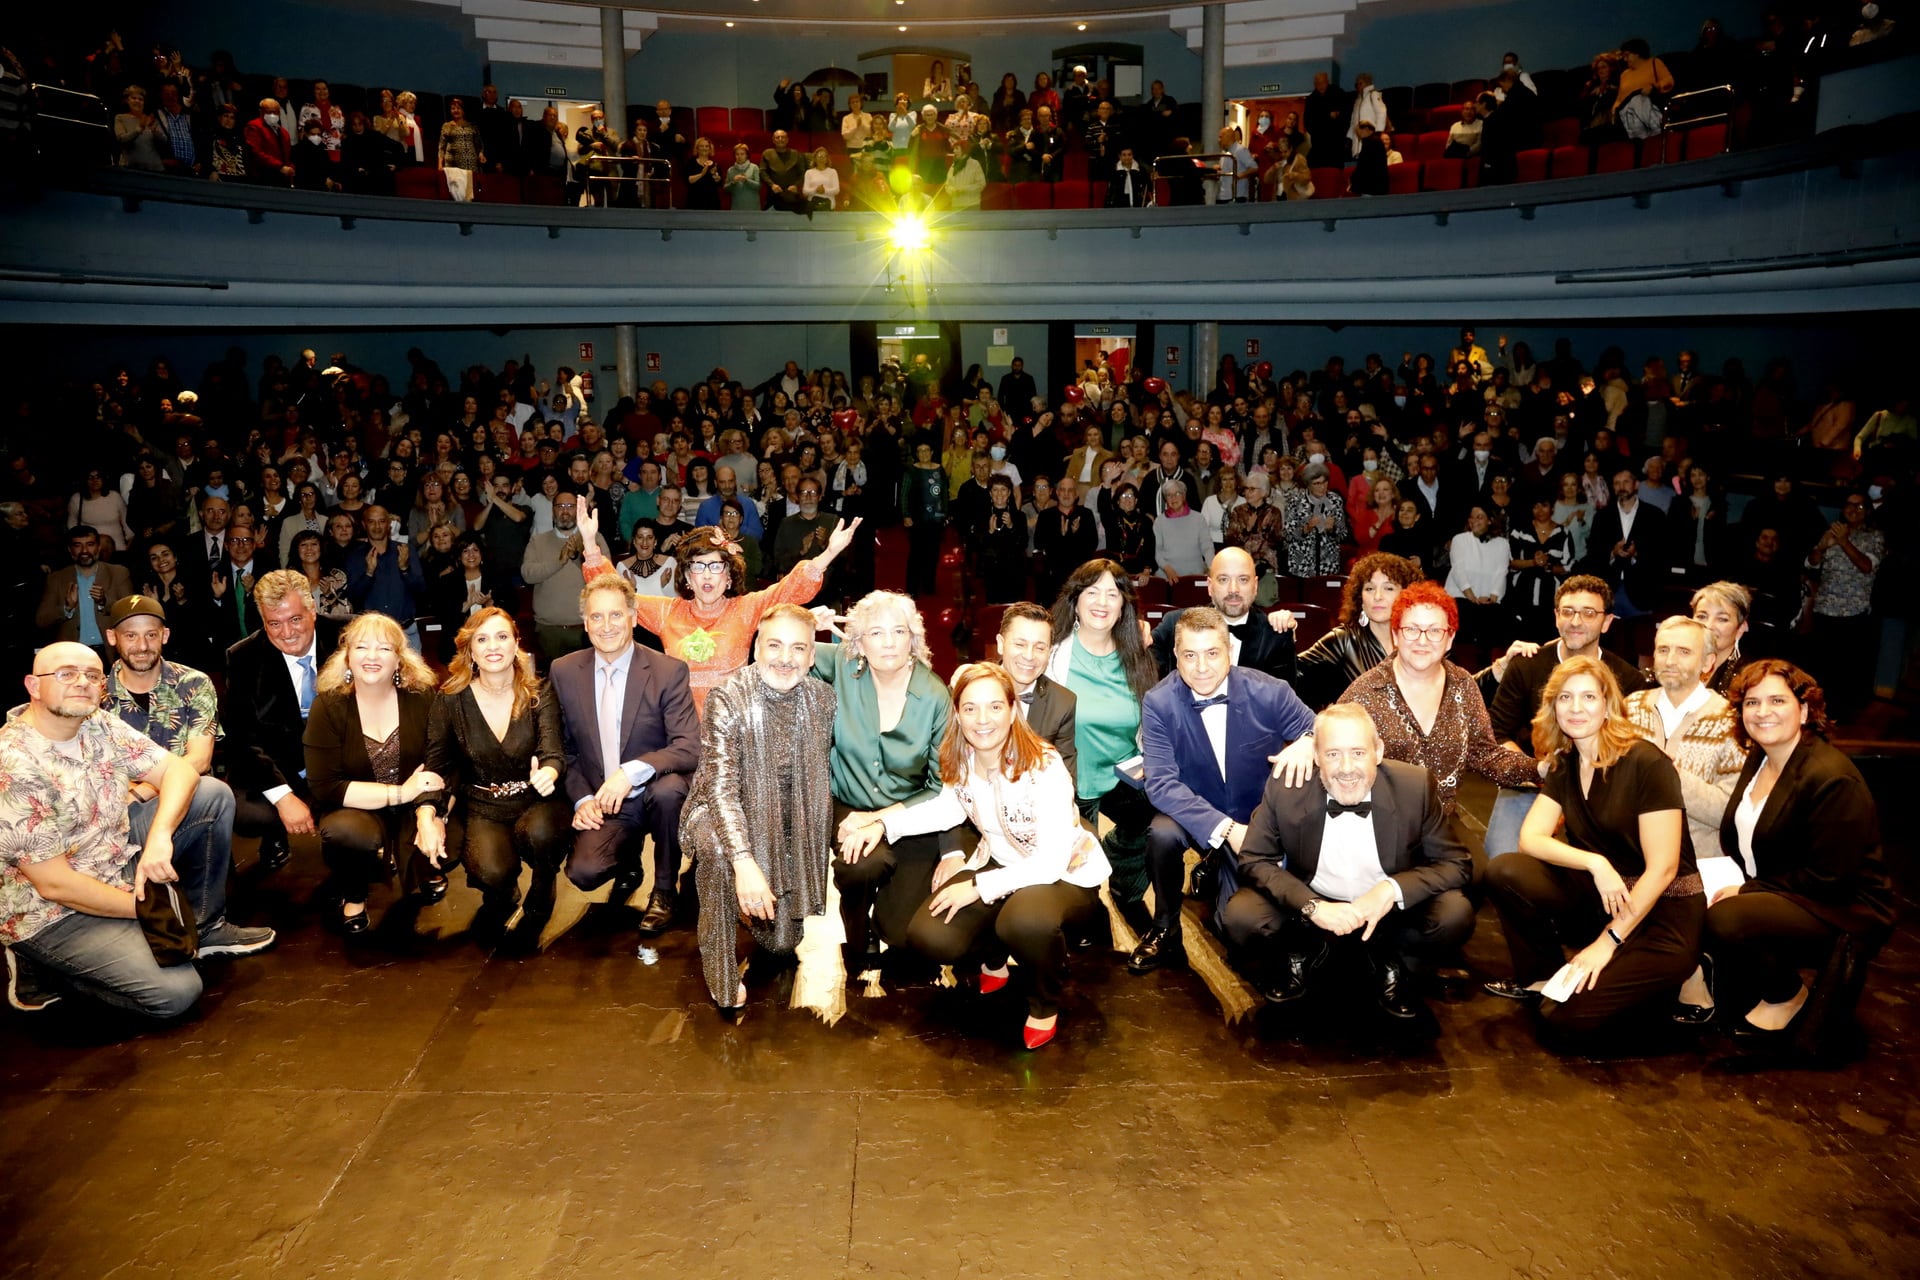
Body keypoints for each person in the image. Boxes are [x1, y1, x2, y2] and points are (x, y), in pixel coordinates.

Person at [842, 663, 1109, 1050]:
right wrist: (884, 826)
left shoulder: (1044, 765)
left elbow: (1049, 861)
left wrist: (979, 886)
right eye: (970, 708)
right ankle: (994, 953)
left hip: (1063, 873)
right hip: (1000, 861)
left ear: (1013, 710)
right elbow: (947, 810)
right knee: (929, 934)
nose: (982, 720)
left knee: (1025, 921)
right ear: (957, 713)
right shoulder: (963, 756)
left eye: (994, 707)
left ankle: (1043, 1001)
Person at [0, 643, 265, 1020]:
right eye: (65, 674)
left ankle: (204, 929)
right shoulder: (13, 763)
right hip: (51, 911)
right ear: (33, 685)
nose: (82, 683)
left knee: (211, 795)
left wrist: (159, 837)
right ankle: (41, 963)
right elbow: (54, 885)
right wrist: (151, 911)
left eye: (92, 675)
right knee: (177, 993)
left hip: (113, 857)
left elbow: (181, 770)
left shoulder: (96, 723)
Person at [1483, 656, 1705, 1043]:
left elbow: (1664, 869)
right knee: (1505, 870)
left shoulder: (1646, 762)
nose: (1576, 708)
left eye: (1588, 697)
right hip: (1607, 898)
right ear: (1553, 707)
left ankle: (1678, 973)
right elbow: (1530, 838)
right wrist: (1594, 862)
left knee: (1564, 1020)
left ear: (1608, 705)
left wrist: (1607, 943)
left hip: (1662, 914)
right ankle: (1544, 976)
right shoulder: (1566, 762)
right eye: (1565, 698)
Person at [1226, 704, 1474, 1025]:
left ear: (1378, 752)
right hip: (1313, 908)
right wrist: (1312, 906)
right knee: (1242, 915)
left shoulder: (1415, 787)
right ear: (1316, 756)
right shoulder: (1285, 787)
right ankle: (1300, 956)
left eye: (1358, 753)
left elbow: (1457, 863)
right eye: (1333, 754)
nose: (1346, 768)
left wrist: (1391, 890)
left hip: (1389, 912)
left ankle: (1395, 963)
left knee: (1455, 913)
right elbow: (1253, 859)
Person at [1700, 660, 1895, 1052]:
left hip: (1844, 907)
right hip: (1788, 888)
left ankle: (1789, 995)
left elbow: (1831, 878)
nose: (1763, 712)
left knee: (1727, 915)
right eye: (1752, 703)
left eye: (1777, 700)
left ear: (1804, 710)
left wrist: (1747, 889)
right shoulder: (1762, 757)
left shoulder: (1830, 776)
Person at [1131, 608, 1315, 975]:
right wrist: (1226, 830)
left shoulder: (1272, 691)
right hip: (1196, 812)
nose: (1201, 667)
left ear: (1230, 648)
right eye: (1190, 655)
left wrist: (1309, 741)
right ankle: (1165, 926)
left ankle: (1218, 874)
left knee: (1238, 930)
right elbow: (1162, 784)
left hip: (1257, 820)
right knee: (1162, 832)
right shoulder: (1159, 702)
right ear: (1176, 657)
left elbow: (1321, 731)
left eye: (1212, 653)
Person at [686, 604, 843, 1021]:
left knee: (780, 946)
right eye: (774, 645)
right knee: (719, 852)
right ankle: (720, 972)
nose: (785, 658)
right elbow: (721, 788)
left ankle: (754, 904)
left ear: (813, 656)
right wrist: (744, 862)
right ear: (757, 647)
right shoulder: (728, 697)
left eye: (798, 648)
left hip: (786, 822)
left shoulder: (823, 698)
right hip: (721, 812)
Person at [1273, 581, 1538, 823]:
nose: (1422, 640)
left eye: (1435, 630)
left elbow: (1486, 755)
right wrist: (1308, 740)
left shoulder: (1463, 685)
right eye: (1411, 629)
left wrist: (1541, 769)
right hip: (1377, 825)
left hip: (1440, 823)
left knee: (1483, 874)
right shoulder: (1368, 690)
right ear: (1396, 636)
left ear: (1450, 638)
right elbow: (1332, 736)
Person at [579, 507, 859, 715]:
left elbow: (790, 589)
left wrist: (828, 553)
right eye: (698, 567)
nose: (707, 576)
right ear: (687, 577)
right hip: (679, 726)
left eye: (716, 566)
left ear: (729, 576)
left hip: (735, 723)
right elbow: (615, 596)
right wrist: (590, 543)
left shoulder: (746, 608)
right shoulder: (668, 612)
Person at [553, 573, 701, 936]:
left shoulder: (668, 671)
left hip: (654, 793)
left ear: (634, 617)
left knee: (669, 793)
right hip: (604, 799)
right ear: (585, 623)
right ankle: (628, 857)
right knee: (583, 874)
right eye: (597, 617)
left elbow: (688, 746)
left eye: (616, 615)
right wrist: (583, 798)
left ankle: (665, 890)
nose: (607, 626)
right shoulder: (564, 671)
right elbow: (565, 749)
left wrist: (632, 771)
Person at [815, 591, 952, 973]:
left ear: (914, 638)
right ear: (858, 641)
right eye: (876, 633)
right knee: (859, 865)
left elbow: (940, 787)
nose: (889, 641)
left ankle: (888, 917)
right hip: (848, 803)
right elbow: (779, 649)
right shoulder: (843, 665)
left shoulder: (935, 695)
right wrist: (810, 623)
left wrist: (882, 820)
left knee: (907, 935)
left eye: (899, 631)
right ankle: (858, 934)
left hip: (910, 812)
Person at [418, 608, 569, 947]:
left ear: (517, 644)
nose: (493, 647)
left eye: (502, 637)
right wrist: (426, 812)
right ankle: (504, 889)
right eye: (481, 640)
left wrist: (549, 771)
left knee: (540, 834)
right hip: (483, 804)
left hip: (536, 801)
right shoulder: (451, 700)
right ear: (469, 650)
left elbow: (553, 751)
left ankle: (545, 877)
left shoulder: (538, 693)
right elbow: (436, 764)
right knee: (492, 873)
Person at [1485, 575, 1653, 857]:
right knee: (1503, 860)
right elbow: (1495, 732)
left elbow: (1633, 748)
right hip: (1533, 783)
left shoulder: (1628, 679)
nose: (1576, 621)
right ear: (1556, 616)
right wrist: (1536, 770)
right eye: (1568, 611)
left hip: (1602, 789)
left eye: (1589, 613)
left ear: (1607, 621)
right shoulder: (1527, 665)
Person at [304, 613, 444, 936]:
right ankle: (354, 892)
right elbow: (325, 787)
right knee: (348, 833)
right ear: (347, 657)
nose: (371, 656)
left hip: (414, 804)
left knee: (457, 829)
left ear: (399, 660)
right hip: (356, 808)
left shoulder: (422, 698)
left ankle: (423, 865)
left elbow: (439, 762)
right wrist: (401, 793)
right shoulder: (328, 706)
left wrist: (427, 813)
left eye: (383, 649)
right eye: (361, 647)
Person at [1044, 560, 1161, 920]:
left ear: (1124, 605)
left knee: (1158, 816)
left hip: (1122, 773)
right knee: (1080, 899)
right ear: (1075, 600)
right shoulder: (1050, 652)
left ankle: (1126, 884)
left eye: (1113, 594)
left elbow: (1199, 621)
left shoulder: (1136, 654)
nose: (1102, 602)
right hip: (1070, 779)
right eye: (1092, 592)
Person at [221, 571, 343, 873]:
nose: (286, 633)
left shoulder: (350, 637)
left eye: (295, 619)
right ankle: (274, 832)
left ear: (312, 609)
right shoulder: (243, 658)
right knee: (246, 812)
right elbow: (241, 738)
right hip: (281, 764)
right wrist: (282, 796)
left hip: (341, 759)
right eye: (274, 623)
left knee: (351, 829)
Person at [1623, 617, 1743, 889]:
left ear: (1708, 662)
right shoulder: (1629, 708)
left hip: (1698, 868)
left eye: (1684, 652)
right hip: (1627, 861)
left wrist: (1669, 777)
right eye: (1663, 650)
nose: (1670, 660)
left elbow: (1731, 812)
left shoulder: (1732, 721)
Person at [1294, 553, 1422, 710]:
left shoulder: (1423, 641)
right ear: (1360, 598)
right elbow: (1289, 680)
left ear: (1407, 595)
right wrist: (1280, 636)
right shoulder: (1343, 639)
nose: (1377, 596)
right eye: (1369, 588)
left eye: (1388, 588)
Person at [1149, 548, 1297, 682]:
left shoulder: (1276, 635)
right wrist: (1137, 633)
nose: (1234, 589)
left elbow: (1283, 705)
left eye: (1243, 580)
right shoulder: (1174, 625)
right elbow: (1138, 667)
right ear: (1210, 586)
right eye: (1223, 580)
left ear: (1255, 586)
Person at [1802, 491, 1882, 721]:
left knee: (1847, 670)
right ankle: (1817, 714)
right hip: (1824, 607)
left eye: (1858, 507)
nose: (1852, 510)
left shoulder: (1873, 536)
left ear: (1866, 512)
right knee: (1821, 667)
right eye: (1848, 505)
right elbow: (1811, 563)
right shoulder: (1831, 530)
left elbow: (1866, 566)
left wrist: (1844, 541)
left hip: (1853, 612)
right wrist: (1823, 547)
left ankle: (1842, 716)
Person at [522, 491, 610, 668]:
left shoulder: (594, 539)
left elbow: (607, 578)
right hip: (549, 631)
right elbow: (528, 574)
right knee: (552, 688)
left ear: (578, 511)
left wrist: (578, 557)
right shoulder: (538, 541)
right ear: (552, 511)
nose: (565, 511)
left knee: (586, 687)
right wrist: (560, 561)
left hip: (586, 629)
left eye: (570, 506)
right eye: (560, 506)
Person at [1582, 468, 1667, 617]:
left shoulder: (1654, 515)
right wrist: (1612, 553)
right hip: (1607, 593)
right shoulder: (1602, 516)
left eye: (1626, 482)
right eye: (1617, 483)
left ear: (1636, 485)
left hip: (1642, 593)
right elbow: (1593, 553)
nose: (1621, 487)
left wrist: (1636, 554)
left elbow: (1661, 555)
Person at [36, 526, 133, 657]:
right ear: (70, 550)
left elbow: (130, 613)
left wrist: (104, 602)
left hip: (111, 652)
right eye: (78, 545)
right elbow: (41, 620)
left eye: (90, 544)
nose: (84, 551)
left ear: (99, 547)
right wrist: (66, 608)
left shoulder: (119, 573)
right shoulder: (56, 578)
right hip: (72, 656)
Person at [1444, 504, 1512, 650]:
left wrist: (1491, 598)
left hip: (1488, 602)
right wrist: (1473, 598)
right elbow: (1458, 571)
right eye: (1472, 517)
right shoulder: (1459, 540)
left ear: (1490, 520)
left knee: (1493, 623)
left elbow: (1501, 573)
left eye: (1479, 517)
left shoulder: (1502, 544)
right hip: (1462, 598)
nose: (1474, 521)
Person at [1691, 580, 1754, 698]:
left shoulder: (1748, 678)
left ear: (1740, 628)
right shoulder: (1675, 664)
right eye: (1702, 616)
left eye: (1722, 619)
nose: (1709, 626)